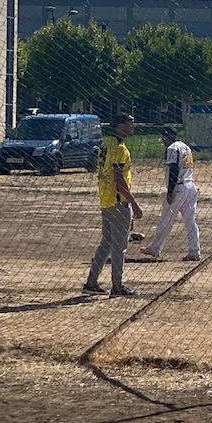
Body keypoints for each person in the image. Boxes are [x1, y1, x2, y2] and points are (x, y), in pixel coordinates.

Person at [84, 113, 143, 297]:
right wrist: (133, 203)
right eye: (129, 124)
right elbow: (118, 178)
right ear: (119, 126)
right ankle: (117, 286)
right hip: (118, 202)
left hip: (106, 200)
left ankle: (91, 282)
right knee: (119, 246)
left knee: (106, 243)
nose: (132, 127)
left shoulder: (106, 143)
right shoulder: (120, 148)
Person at [141, 126, 200, 262]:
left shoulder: (172, 148)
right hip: (190, 186)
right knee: (190, 222)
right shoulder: (185, 147)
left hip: (178, 188)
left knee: (166, 220)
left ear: (166, 137)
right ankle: (194, 251)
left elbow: (173, 169)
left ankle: (155, 248)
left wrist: (170, 191)